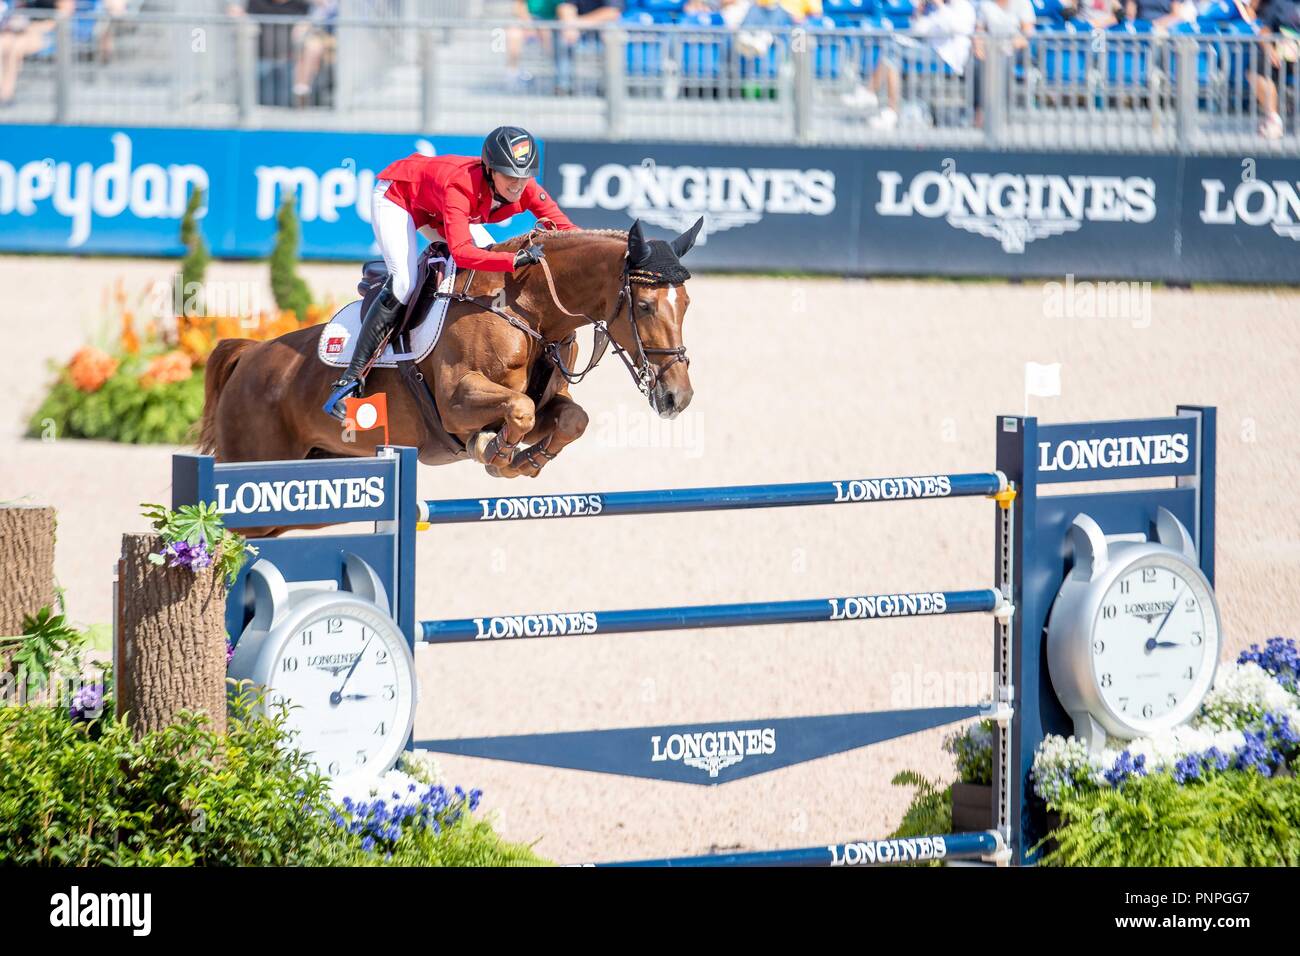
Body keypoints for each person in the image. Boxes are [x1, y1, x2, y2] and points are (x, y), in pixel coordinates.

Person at [327, 127, 580, 417]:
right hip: (399, 199)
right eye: (510, 176)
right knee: (404, 282)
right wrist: (514, 260)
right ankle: (350, 378)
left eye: (524, 177)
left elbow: (568, 231)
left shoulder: (526, 186)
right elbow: (462, 252)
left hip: (439, 208)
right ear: (489, 170)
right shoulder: (461, 185)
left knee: (491, 265)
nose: (517, 185)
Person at [0, 0, 72, 107]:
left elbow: (62, 17)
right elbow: (19, 12)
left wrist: (31, 27)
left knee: (15, 48)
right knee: (2, 43)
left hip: (45, 34)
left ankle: (6, 94)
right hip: (21, 31)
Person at [1249, 0, 1299, 138]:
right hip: (1284, 55)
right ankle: (1274, 121)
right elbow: (1264, 31)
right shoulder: (1279, 4)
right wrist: (1270, 49)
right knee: (1256, 69)